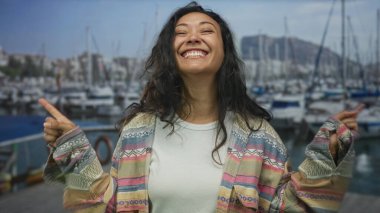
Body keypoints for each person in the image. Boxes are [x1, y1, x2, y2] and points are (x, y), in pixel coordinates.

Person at [39, 2, 364, 212]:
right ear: (171, 52)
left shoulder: (259, 136)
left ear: (225, 53)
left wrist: (325, 157)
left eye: (206, 31)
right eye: (181, 33)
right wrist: (75, 152)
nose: (192, 37)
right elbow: (110, 205)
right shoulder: (138, 132)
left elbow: (286, 207)